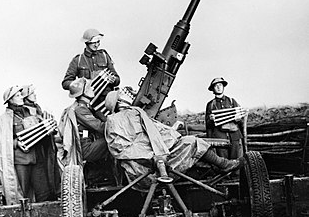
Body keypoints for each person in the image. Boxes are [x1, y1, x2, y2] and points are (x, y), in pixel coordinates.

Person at [104, 88, 243, 191]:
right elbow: (119, 148)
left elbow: (161, 132)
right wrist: (151, 156)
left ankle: (224, 165)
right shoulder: (114, 120)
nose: (131, 93)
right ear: (118, 101)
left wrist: (173, 135)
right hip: (142, 168)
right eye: (124, 93)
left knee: (191, 141)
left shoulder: (138, 113)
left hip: (165, 160)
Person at [0, 86, 58, 205]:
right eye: (18, 95)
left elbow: (42, 130)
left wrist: (51, 129)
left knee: (43, 193)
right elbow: (0, 141)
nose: (21, 97)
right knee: (22, 194)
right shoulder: (4, 119)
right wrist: (16, 143)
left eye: (21, 95)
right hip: (21, 161)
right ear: (10, 100)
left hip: (37, 158)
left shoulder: (31, 112)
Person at [58, 77, 114, 183]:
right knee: (113, 141)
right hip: (85, 148)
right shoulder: (80, 109)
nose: (92, 89)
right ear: (84, 92)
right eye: (89, 88)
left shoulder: (84, 107)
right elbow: (100, 127)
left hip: (87, 144)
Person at [61, 29, 120, 105]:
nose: (96, 45)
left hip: (106, 103)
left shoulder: (104, 56)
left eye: (98, 42)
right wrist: (82, 83)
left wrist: (114, 80)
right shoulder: (78, 60)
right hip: (88, 102)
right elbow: (65, 83)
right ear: (87, 43)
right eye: (93, 43)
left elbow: (117, 79)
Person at [205, 77, 244, 159]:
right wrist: (211, 120)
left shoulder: (232, 101)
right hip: (220, 138)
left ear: (223, 87)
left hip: (234, 136)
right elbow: (208, 125)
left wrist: (239, 119)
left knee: (236, 161)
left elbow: (241, 119)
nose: (219, 87)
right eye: (216, 86)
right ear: (213, 89)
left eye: (220, 85)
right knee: (223, 163)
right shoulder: (211, 104)